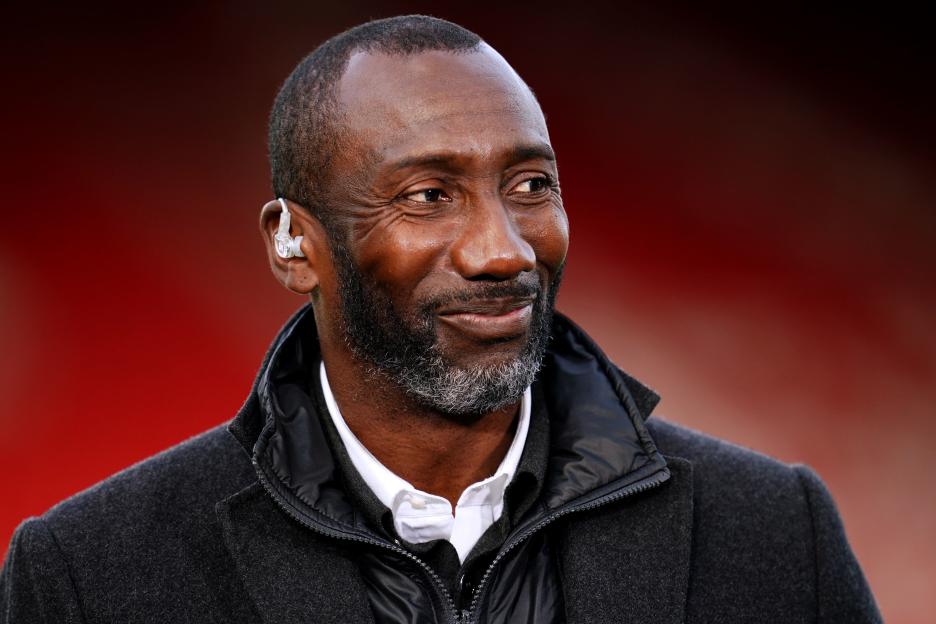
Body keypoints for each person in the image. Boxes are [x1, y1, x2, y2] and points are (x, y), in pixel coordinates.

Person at [0, 15, 881, 624]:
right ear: (292, 243)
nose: (504, 251)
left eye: (530, 187)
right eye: (430, 197)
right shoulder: (92, 572)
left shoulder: (773, 530)